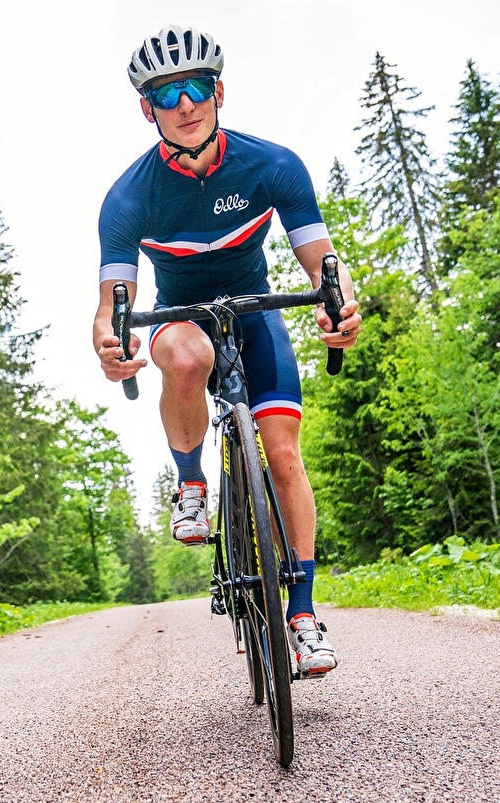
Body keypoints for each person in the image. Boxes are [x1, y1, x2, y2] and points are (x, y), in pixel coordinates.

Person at [93, 24, 362, 677]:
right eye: (166, 95)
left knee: (287, 458)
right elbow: (112, 302)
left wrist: (340, 306)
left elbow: (324, 264)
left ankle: (301, 614)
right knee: (183, 360)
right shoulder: (129, 196)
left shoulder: (271, 165)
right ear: (146, 109)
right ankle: (190, 482)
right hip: (181, 317)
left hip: (255, 312)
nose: (184, 105)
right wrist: (108, 340)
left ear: (218, 92)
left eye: (196, 89)